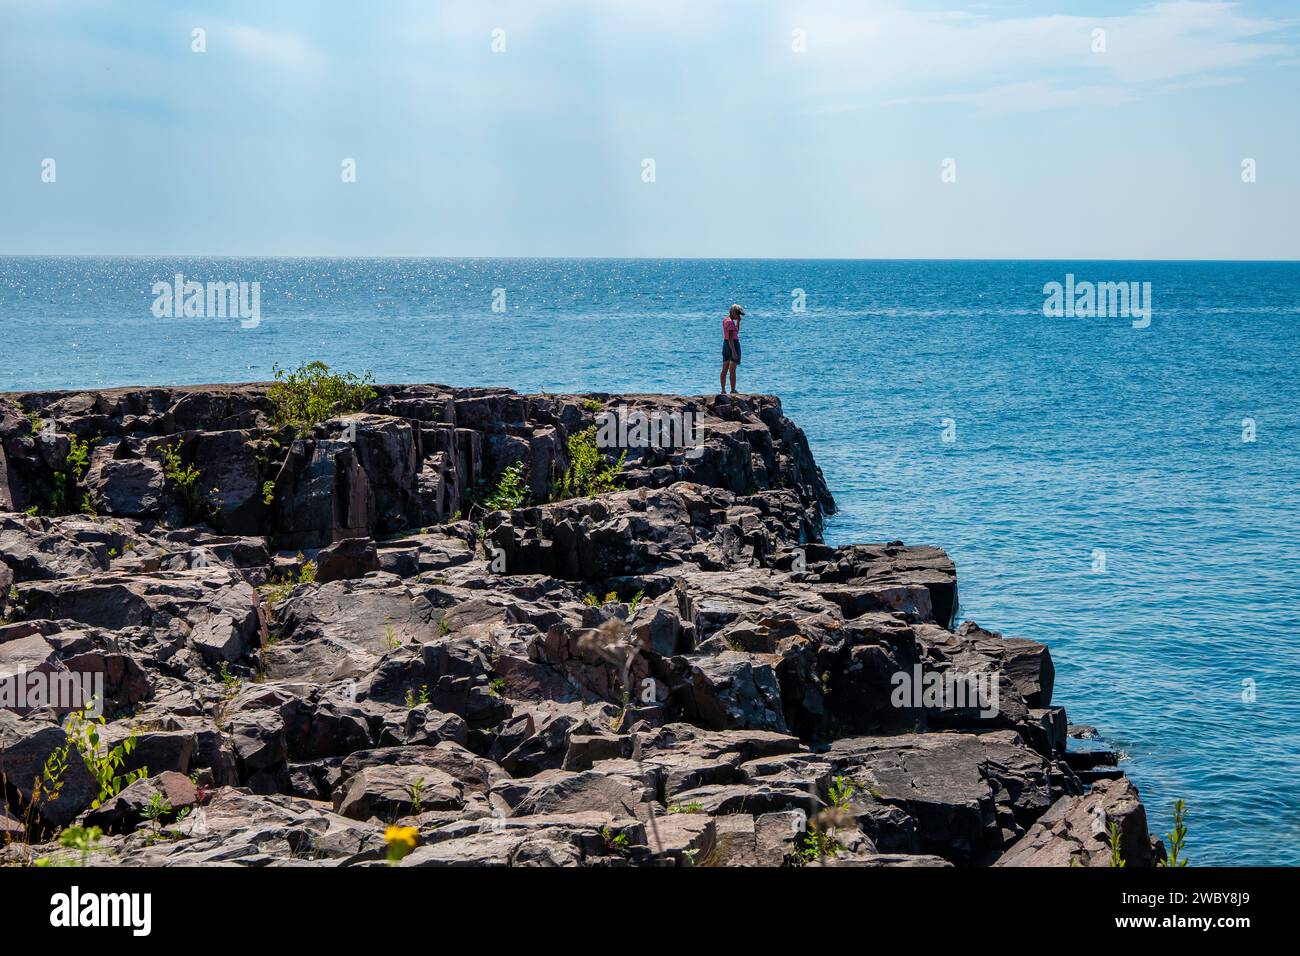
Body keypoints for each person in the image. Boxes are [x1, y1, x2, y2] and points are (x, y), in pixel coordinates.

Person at [720, 303, 744, 394]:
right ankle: (733, 390)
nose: (738, 316)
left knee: (725, 368)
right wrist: (734, 351)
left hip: (726, 344)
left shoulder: (726, 320)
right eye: (737, 314)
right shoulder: (730, 322)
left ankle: (723, 390)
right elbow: (731, 338)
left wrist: (738, 322)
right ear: (733, 312)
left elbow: (736, 331)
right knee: (732, 369)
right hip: (732, 344)